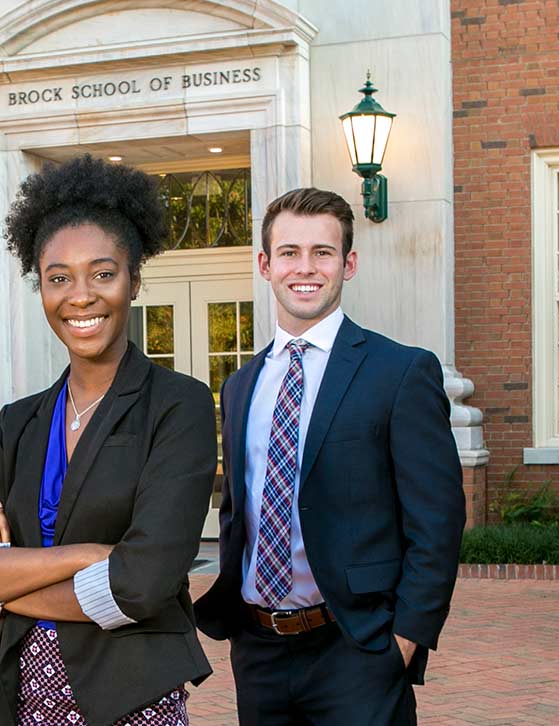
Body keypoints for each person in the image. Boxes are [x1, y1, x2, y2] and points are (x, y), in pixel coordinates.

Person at [0, 155, 215, 725]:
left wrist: (6, 580)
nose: (79, 296)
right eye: (58, 277)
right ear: (42, 289)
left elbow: (142, 585)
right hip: (21, 696)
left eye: (103, 273)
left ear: (134, 280)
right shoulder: (21, 422)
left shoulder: (178, 405)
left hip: (132, 698)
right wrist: (90, 556)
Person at [193, 187, 465, 725]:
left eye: (323, 252)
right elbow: (237, 512)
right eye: (290, 252)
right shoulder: (242, 384)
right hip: (259, 650)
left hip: (356, 648)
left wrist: (406, 638)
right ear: (265, 265)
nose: (306, 268)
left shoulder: (400, 372)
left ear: (349, 263)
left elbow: (437, 519)